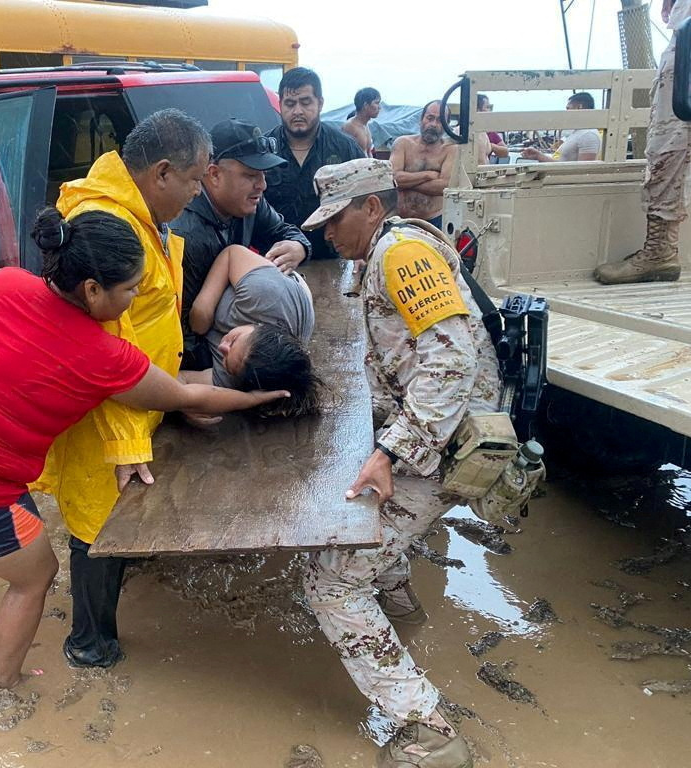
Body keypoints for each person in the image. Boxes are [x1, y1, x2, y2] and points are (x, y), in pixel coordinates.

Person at [0, 208, 287, 689]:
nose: (132, 301)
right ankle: (7, 686)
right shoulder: (101, 357)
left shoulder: (2, 284)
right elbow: (187, 395)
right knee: (35, 575)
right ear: (92, 289)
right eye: (129, 289)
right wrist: (255, 396)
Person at [300, 158, 501, 768]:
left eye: (336, 219)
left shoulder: (401, 254)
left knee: (329, 579)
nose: (327, 234)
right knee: (366, 524)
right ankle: (400, 605)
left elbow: (451, 362)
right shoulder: (377, 256)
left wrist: (390, 452)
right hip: (435, 433)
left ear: (371, 206)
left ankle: (431, 732)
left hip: (446, 440)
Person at [32, 108, 211, 669]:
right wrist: (128, 445)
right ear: (162, 173)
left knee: (115, 518)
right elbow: (105, 350)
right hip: (106, 415)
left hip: (140, 399)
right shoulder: (105, 226)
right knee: (95, 524)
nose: (196, 193)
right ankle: (90, 644)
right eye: (194, 180)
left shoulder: (137, 212)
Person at [172, 118, 311, 370]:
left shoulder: (248, 204)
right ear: (213, 174)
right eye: (250, 175)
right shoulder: (185, 234)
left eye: (263, 175)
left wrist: (299, 246)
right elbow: (183, 331)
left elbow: (282, 230)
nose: (262, 185)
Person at [596, 0, 691, 285]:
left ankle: (659, 252)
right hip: (688, 45)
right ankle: (661, 250)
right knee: (668, 147)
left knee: (670, 148)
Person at [185, 244, 321, 417]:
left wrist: (186, 404)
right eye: (234, 341)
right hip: (281, 284)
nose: (222, 348)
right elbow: (232, 253)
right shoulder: (265, 295)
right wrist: (204, 306)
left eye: (228, 365)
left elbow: (179, 383)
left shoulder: (233, 380)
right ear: (259, 326)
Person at [264, 67, 365, 261]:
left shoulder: (345, 148)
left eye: (305, 102)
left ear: (320, 103)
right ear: (280, 104)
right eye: (290, 103)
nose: (297, 111)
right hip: (275, 260)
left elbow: (365, 200)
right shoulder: (264, 150)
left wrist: (364, 251)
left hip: (331, 259)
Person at [391, 100, 458, 229]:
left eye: (440, 120)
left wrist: (406, 184)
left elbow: (443, 187)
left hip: (434, 222)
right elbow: (392, 179)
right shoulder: (403, 144)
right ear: (421, 120)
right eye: (430, 118)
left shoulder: (450, 150)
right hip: (401, 221)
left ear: (446, 125)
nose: (433, 124)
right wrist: (428, 175)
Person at [519, 92, 600, 163]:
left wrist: (539, 156)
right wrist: (538, 155)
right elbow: (562, 163)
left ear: (579, 107)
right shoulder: (579, 132)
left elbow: (583, 171)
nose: (566, 112)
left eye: (568, 108)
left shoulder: (589, 135)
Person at [343, 87, 381, 157]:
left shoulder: (365, 126)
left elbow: (368, 153)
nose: (379, 107)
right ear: (366, 105)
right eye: (376, 103)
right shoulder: (350, 126)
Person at [476, 93, 509, 162]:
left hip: (482, 171)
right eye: (487, 107)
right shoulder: (460, 131)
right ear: (478, 110)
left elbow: (505, 152)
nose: (490, 111)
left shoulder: (490, 133)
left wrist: (491, 146)